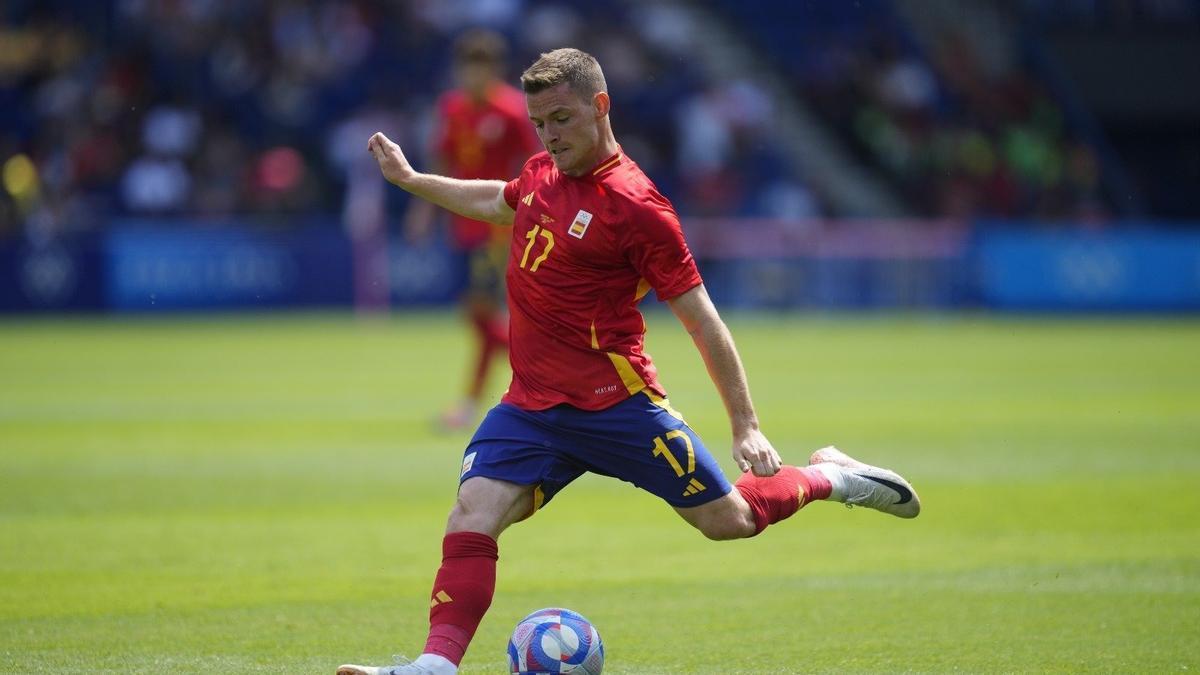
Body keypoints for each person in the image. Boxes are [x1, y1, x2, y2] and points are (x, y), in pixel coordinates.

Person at [341, 48, 921, 675]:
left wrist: (746, 425)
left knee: (730, 522)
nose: (549, 135)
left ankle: (830, 476)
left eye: (561, 119)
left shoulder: (638, 207)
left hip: (618, 407)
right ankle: (435, 665)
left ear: (600, 106)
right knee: (471, 514)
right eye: (539, 123)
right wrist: (412, 181)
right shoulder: (541, 173)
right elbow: (499, 202)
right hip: (531, 408)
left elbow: (703, 321)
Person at [405, 29, 542, 430]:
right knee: (478, 318)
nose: (472, 77)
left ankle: (532, 373)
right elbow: (441, 162)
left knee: (482, 314)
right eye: (466, 69)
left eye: (479, 69)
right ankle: (520, 376)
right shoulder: (452, 108)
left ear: (495, 70)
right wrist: (423, 210)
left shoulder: (514, 111)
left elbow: (536, 163)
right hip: (462, 227)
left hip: (499, 227)